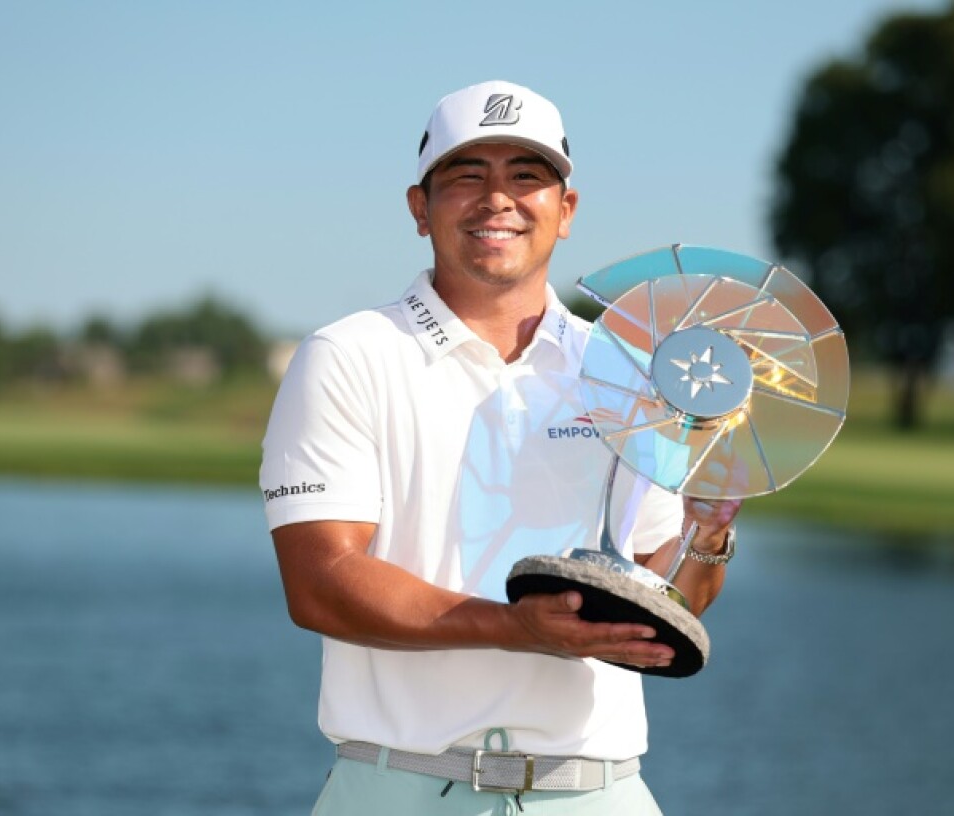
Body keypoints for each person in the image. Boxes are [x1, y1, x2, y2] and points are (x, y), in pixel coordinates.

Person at [261, 80, 741, 815]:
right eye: (466, 176)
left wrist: (708, 536)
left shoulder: (628, 371)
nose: (498, 200)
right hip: (402, 788)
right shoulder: (347, 354)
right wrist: (514, 629)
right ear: (420, 208)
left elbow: (665, 593)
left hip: (598, 794)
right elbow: (320, 582)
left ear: (566, 211)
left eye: (527, 176)